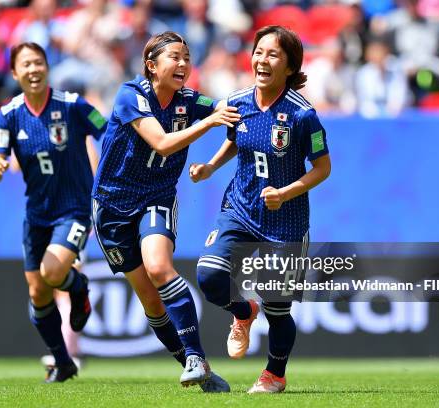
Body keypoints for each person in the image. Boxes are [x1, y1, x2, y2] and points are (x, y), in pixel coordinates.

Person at [91, 31, 239, 392]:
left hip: (155, 196)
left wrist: (242, 115)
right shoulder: (131, 95)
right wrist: (209, 123)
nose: (184, 64)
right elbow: (162, 142)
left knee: (159, 267)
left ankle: (194, 356)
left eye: (187, 57)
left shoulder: (189, 101)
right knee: (150, 300)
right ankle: (197, 365)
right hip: (111, 206)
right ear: (151, 65)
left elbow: (226, 110)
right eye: (175, 56)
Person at [190, 25, 331, 393]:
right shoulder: (237, 102)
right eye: (258, 51)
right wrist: (209, 167)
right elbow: (236, 142)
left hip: (286, 220)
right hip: (240, 208)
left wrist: (285, 193)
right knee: (208, 276)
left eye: (273, 54)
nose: (262, 60)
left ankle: (274, 374)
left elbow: (322, 168)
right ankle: (243, 312)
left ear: (289, 67)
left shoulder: (303, 115)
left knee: (278, 306)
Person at [0, 42, 106, 383]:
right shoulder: (8, 114)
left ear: (47, 67)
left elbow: (108, 132)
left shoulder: (72, 105)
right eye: (26, 65)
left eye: (38, 62)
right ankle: (63, 362)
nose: (33, 69)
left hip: (74, 209)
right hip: (37, 214)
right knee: (38, 292)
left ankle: (78, 286)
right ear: (14, 73)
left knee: (54, 273)